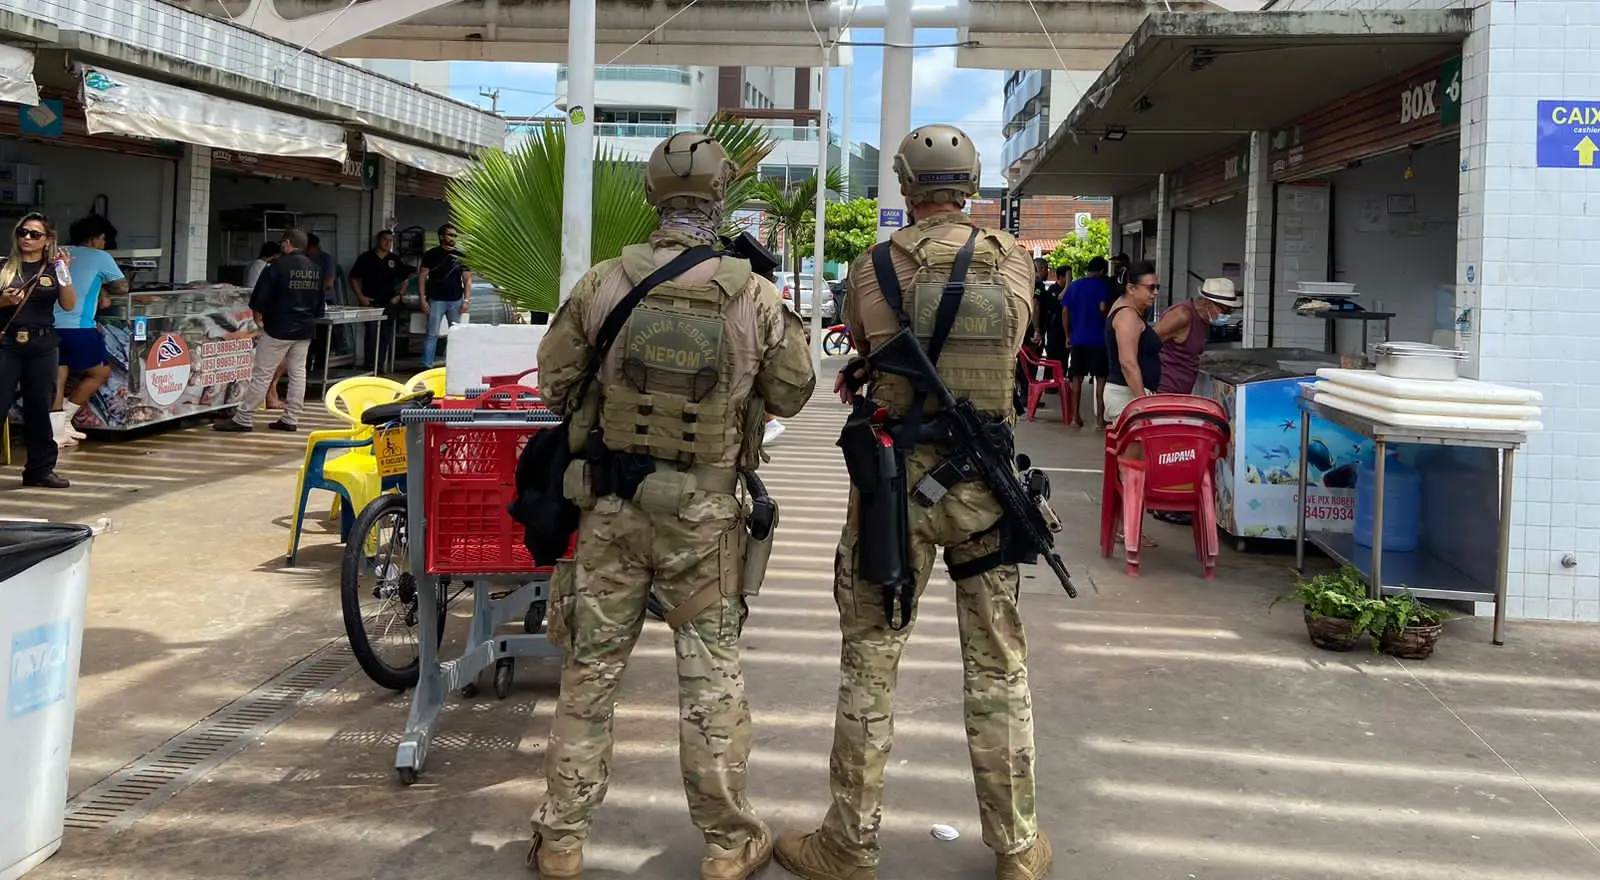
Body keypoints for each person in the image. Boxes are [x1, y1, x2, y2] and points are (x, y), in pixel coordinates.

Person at [527, 131, 816, 880]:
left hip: (613, 512)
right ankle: (727, 845)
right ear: (721, 202)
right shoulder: (755, 293)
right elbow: (793, 391)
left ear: (653, 197)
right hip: (706, 520)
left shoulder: (602, 283)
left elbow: (554, 384)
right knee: (710, 678)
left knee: (590, 674)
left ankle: (561, 840)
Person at [774, 123, 1052, 880]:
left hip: (892, 484)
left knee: (870, 658)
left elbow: (869, 343)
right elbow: (1016, 339)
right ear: (974, 185)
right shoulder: (1017, 261)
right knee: (997, 666)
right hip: (985, 490)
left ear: (903, 186)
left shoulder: (872, 267)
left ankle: (848, 845)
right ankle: (1018, 847)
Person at [215, 228, 323, 433]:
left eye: (283, 241)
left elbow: (259, 299)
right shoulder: (315, 268)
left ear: (288, 242)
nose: (280, 245)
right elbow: (319, 306)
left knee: (262, 374)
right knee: (298, 373)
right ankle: (290, 418)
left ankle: (244, 418)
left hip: (278, 329)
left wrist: (259, 320)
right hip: (305, 329)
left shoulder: (276, 266)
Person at [0, 212, 76, 488]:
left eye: (35, 234)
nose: (27, 239)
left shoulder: (54, 269)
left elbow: (68, 305)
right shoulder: (4, 267)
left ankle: (40, 469)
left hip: (42, 344)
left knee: (39, 408)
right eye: (23, 232)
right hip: (7, 343)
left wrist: (64, 272)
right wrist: (3, 301)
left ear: (48, 240)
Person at [53, 216, 127, 447]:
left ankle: (55, 431)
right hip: (78, 325)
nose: (105, 243)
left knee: (58, 374)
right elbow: (123, 287)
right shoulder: (101, 257)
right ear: (95, 238)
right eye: (104, 239)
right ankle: (65, 418)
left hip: (48, 324)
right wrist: (105, 286)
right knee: (100, 372)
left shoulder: (59, 252)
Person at [1155, 276, 1241, 395]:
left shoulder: (1204, 319)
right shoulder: (1181, 316)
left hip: (1181, 389)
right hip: (1164, 389)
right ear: (1207, 302)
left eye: (1230, 311)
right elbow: (1146, 344)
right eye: (1224, 310)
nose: (1226, 315)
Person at [1103, 259, 1162, 426]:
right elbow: (1128, 363)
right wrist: (1142, 403)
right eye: (1150, 287)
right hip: (1127, 397)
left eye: (1157, 287)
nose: (1155, 292)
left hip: (1130, 396)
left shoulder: (1127, 310)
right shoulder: (1127, 316)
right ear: (1131, 288)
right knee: (1134, 452)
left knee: (1136, 451)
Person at [1061, 255, 1116, 429]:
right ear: (1101, 271)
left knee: (1076, 378)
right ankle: (1100, 419)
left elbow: (1065, 311)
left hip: (1078, 339)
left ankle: (1075, 418)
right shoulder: (1102, 285)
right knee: (1100, 379)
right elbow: (1102, 308)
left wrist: (1068, 335)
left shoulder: (1075, 286)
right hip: (1098, 340)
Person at [349, 229, 413, 370]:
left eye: (390, 240)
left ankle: (380, 367)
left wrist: (399, 295)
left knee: (385, 335)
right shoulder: (366, 258)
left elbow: (405, 280)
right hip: (370, 302)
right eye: (385, 239)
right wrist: (360, 297)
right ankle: (370, 367)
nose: (387, 243)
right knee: (371, 334)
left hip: (389, 302)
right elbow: (353, 278)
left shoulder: (394, 259)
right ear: (378, 240)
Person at [417, 223, 470, 369]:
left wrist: (466, 300)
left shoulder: (461, 255)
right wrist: (422, 298)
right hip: (436, 300)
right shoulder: (431, 254)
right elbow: (422, 276)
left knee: (455, 334)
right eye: (449, 235)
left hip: (456, 300)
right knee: (432, 334)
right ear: (441, 236)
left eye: (454, 236)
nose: (452, 238)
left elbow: (467, 279)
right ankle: (426, 366)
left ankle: (454, 365)